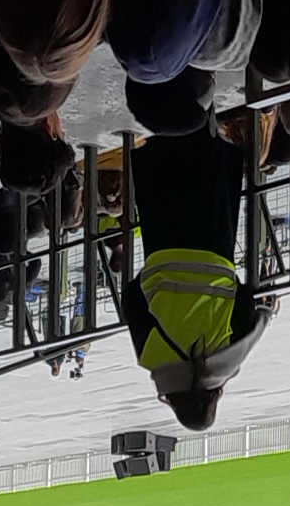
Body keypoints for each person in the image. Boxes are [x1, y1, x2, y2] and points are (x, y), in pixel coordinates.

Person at [116, 125, 270, 430]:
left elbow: (245, 302)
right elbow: (132, 299)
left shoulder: (229, 357)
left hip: (214, 245)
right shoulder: (154, 360)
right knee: (166, 145)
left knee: (205, 151)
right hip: (163, 246)